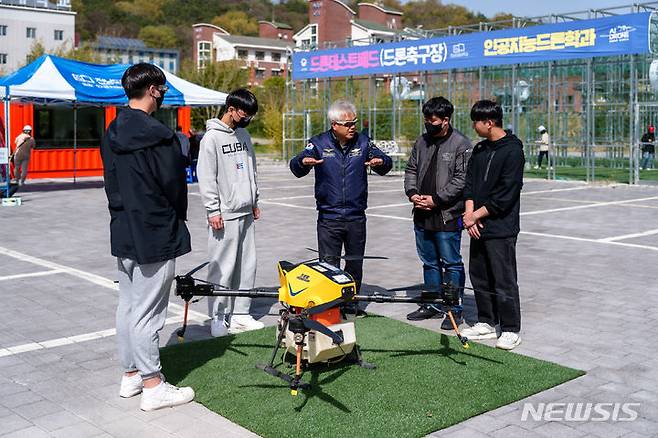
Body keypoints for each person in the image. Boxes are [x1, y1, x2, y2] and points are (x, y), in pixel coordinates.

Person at [101, 63, 194, 411]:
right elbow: (173, 186)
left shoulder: (111, 130)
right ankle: (153, 384)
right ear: (154, 90)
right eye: (163, 87)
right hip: (153, 229)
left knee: (127, 305)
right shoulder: (161, 135)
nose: (165, 92)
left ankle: (131, 376)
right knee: (148, 312)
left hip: (123, 226)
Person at [289, 100, 392, 314]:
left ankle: (351, 303)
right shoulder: (317, 143)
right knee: (328, 264)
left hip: (356, 217)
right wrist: (303, 162)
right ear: (334, 124)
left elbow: (385, 162)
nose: (353, 126)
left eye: (354, 122)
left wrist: (380, 162)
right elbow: (295, 165)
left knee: (354, 264)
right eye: (348, 123)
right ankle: (331, 304)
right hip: (329, 218)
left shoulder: (364, 143)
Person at [197, 88, 263, 337]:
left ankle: (241, 315)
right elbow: (206, 178)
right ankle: (218, 317)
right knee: (222, 267)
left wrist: (255, 199)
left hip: (245, 211)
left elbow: (251, 169)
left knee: (247, 265)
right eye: (245, 114)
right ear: (231, 109)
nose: (247, 119)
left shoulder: (244, 135)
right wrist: (213, 210)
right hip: (224, 214)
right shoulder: (211, 138)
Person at [460, 100, 524, 351]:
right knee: (479, 275)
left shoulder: (513, 151)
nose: (474, 126)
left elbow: (506, 194)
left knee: (503, 278)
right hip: (477, 224)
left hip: (500, 227)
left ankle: (510, 329)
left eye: (476, 121)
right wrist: (469, 215)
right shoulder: (480, 150)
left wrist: (476, 216)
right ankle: (486, 321)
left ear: (489, 122)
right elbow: (470, 184)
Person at [404, 97, 471, 330]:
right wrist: (413, 194)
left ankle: (454, 309)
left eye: (432, 120)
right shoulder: (421, 142)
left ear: (445, 120)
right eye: (426, 120)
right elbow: (411, 169)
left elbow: (462, 180)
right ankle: (432, 304)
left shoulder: (461, 144)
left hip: (447, 214)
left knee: (451, 263)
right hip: (421, 213)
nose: (428, 124)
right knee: (429, 262)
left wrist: (437, 200)